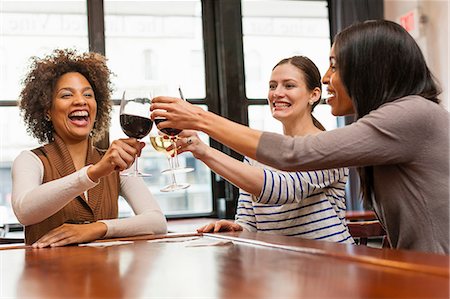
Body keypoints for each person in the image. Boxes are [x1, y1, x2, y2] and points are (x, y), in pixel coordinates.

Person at [150, 20, 449, 254]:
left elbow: (292, 157)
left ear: (368, 68)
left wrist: (200, 120)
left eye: (335, 64)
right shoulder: (396, 120)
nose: (327, 76)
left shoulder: (410, 115)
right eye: (272, 85)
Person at [180, 56, 353, 243]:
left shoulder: (328, 146)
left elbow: (283, 189)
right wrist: (237, 227)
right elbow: (248, 222)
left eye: (289, 86)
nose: (277, 93)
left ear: (314, 95)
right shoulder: (256, 155)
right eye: (272, 86)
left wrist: (203, 151)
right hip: (283, 262)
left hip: (331, 262)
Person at [12, 49, 167, 247]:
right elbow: (24, 211)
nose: (80, 100)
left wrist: (98, 228)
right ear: (47, 111)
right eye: (67, 95)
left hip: (105, 277)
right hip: (47, 276)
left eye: (88, 94)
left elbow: (157, 222)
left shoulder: (115, 162)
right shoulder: (31, 160)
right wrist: (93, 173)